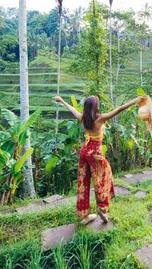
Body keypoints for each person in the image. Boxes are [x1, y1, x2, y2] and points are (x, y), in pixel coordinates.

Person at [52, 95, 143, 224]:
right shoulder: (100, 118)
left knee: (83, 182)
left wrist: (61, 100)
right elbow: (120, 109)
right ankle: (102, 207)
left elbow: (72, 109)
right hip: (95, 153)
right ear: (96, 106)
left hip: (84, 151)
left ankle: (84, 215)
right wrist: (135, 100)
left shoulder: (83, 118)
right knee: (104, 178)